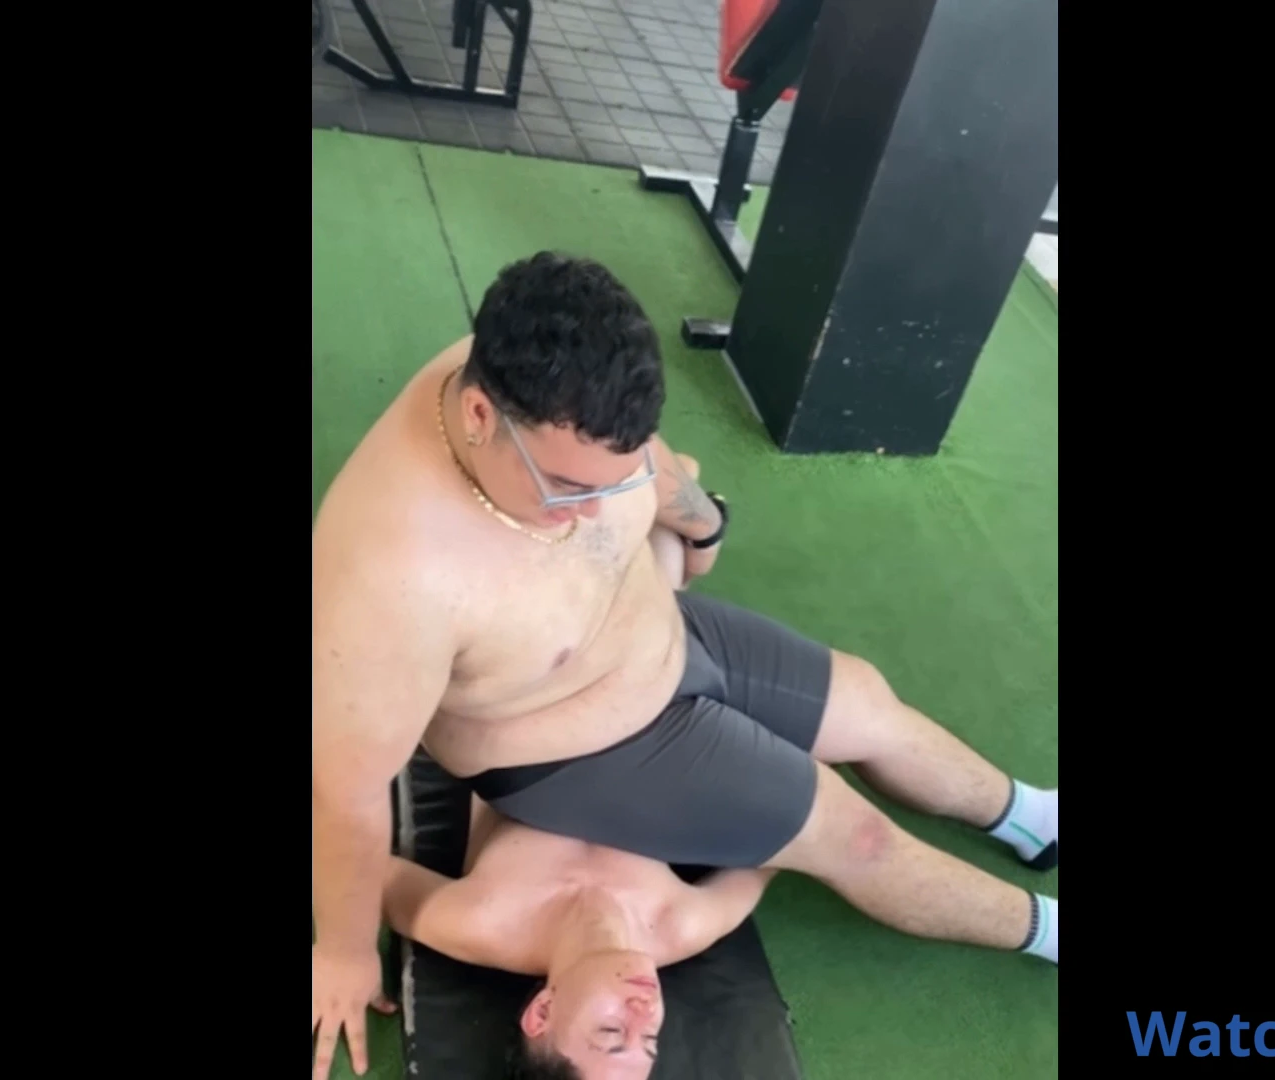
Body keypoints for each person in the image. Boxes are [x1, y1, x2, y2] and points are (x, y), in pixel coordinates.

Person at [311, 251, 1058, 1079]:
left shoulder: (545, 386)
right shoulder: (387, 573)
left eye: (611, 479)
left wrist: (700, 523)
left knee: (869, 703)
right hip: (577, 751)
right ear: (481, 415)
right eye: (565, 487)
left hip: (662, 634)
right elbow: (345, 796)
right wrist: (343, 952)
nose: (591, 510)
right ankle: (1052, 931)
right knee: (857, 838)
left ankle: (1035, 819)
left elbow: (648, 463)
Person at [375, 794, 777, 1080]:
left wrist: (349, 954)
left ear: (543, 1012)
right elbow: (777, 848)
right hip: (661, 717)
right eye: (650, 1038)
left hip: (518, 711)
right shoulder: (681, 924)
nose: (645, 1011)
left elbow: (367, 877)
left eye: (612, 1031)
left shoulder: (484, 921)